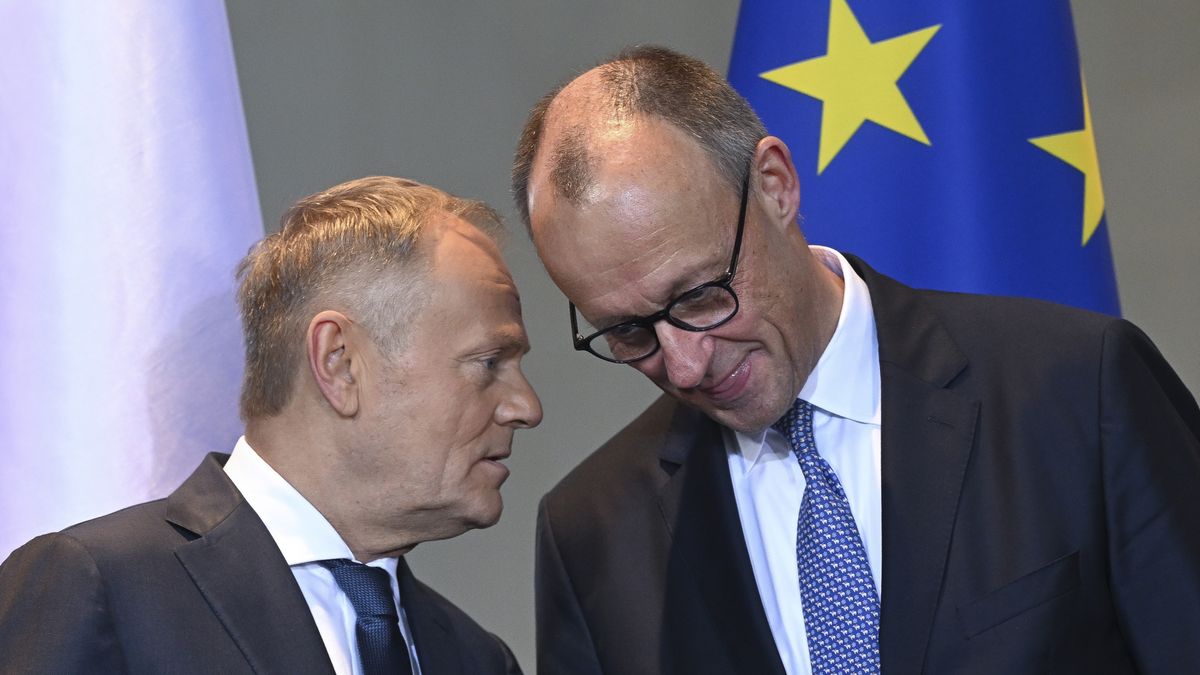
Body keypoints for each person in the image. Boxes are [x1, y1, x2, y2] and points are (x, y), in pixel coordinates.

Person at [514, 45, 1200, 674]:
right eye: (630, 331)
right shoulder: (592, 534)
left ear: (777, 186)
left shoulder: (1079, 391)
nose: (685, 365)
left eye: (699, 295)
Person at [0, 176, 542, 674]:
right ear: (340, 363)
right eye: (489, 363)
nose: (526, 406)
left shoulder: (478, 660)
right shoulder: (101, 587)